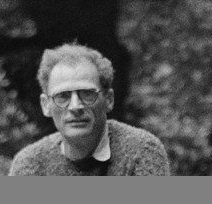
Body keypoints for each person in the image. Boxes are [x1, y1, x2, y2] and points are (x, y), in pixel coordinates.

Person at [9, 45, 170, 176]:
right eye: (63, 96)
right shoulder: (29, 164)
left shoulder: (141, 150)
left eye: (87, 94)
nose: (75, 106)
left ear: (108, 100)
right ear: (46, 105)